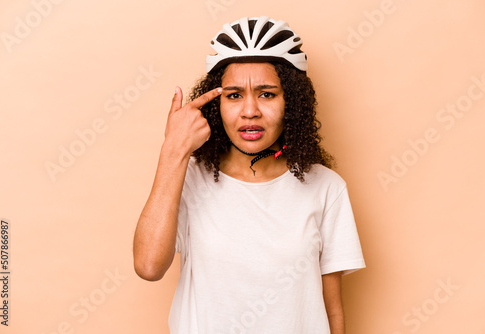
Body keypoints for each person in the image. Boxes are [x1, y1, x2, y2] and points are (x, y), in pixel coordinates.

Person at [133, 16, 365, 334]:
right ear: (216, 105)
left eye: (267, 94)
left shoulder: (326, 187)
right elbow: (148, 266)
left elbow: (331, 309)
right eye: (234, 95)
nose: (250, 111)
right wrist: (174, 150)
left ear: (291, 103)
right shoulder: (187, 179)